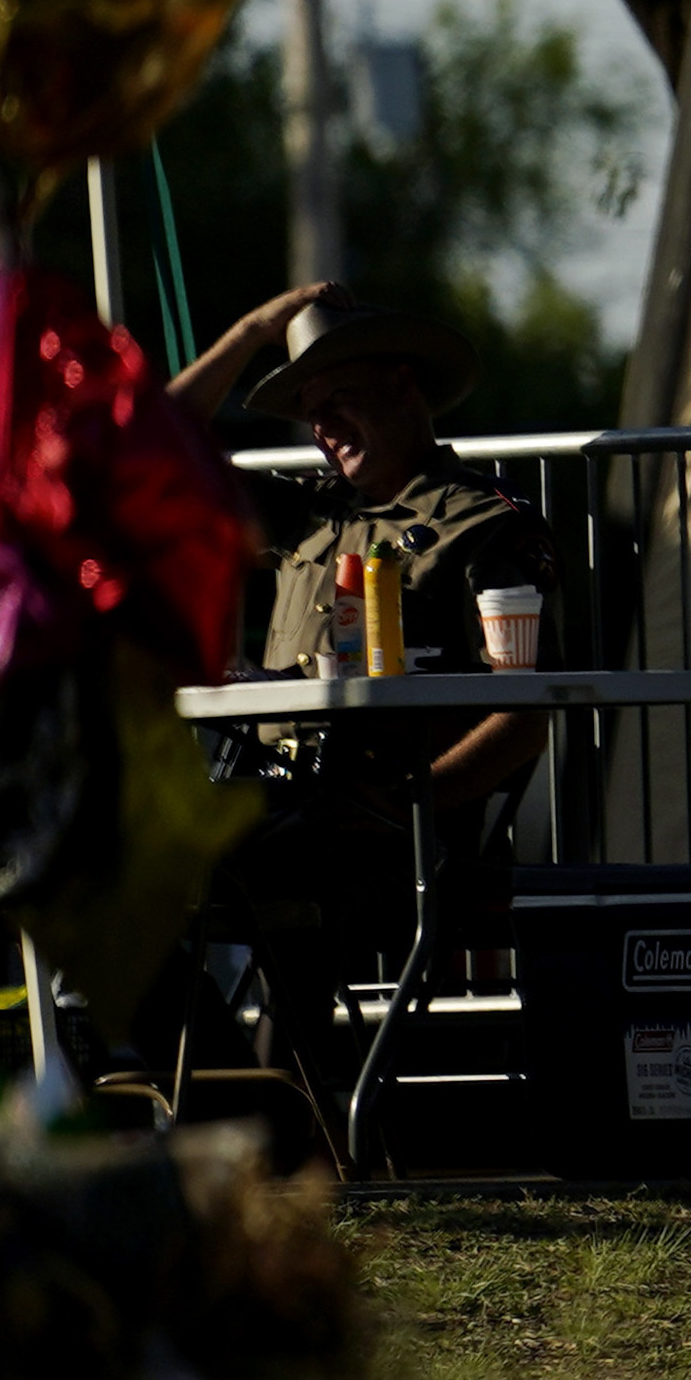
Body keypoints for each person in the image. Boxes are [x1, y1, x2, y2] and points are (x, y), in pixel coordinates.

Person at [171, 289, 561, 1110]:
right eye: (309, 411)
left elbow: (524, 715)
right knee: (106, 873)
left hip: (392, 838)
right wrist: (248, 328)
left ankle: (266, 1129)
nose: (324, 427)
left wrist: (409, 798)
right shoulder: (309, 516)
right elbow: (150, 441)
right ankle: (263, 1119)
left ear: (402, 384)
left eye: (338, 398)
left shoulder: (480, 526)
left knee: (204, 884)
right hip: (271, 807)